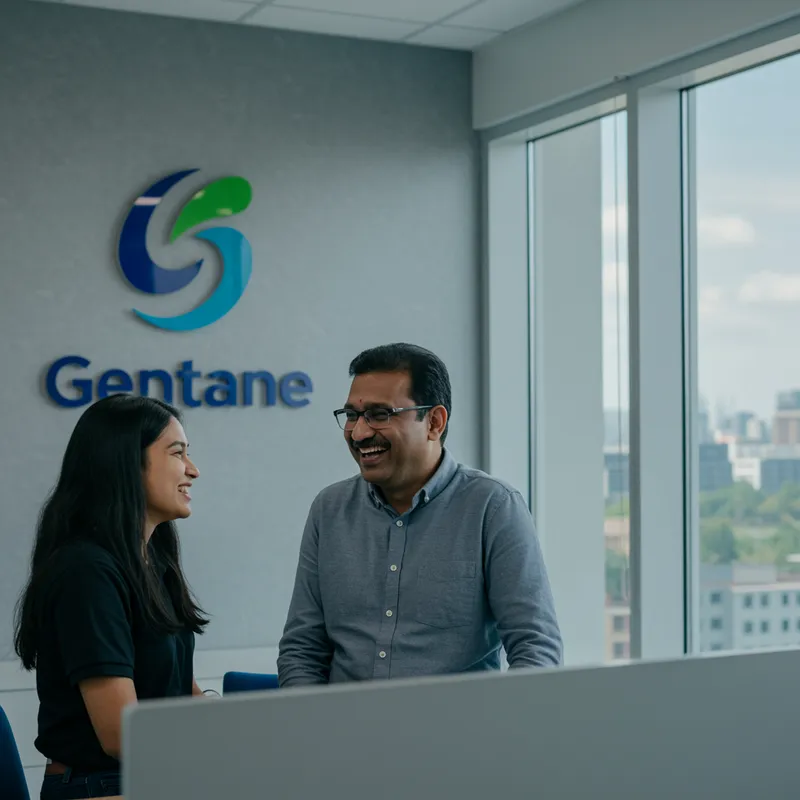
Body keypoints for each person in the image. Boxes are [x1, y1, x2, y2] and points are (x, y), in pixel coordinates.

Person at [278, 343, 562, 686]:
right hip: (342, 721)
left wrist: (504, 720)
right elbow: (302, 650)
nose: (359, 433)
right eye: (352, 415)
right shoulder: (330, 509)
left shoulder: (493, 507)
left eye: (380, 414)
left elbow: (536, 649)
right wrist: (312, 719)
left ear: (434, 422)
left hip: (457, 722)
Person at [13, 395, 207, 800]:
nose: (193, 469)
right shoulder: (86, 571)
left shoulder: (154, 561)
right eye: (177, 453)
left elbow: (180, 693)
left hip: (154, 774)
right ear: (126, 463)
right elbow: (122, 734)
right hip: (100, 786)